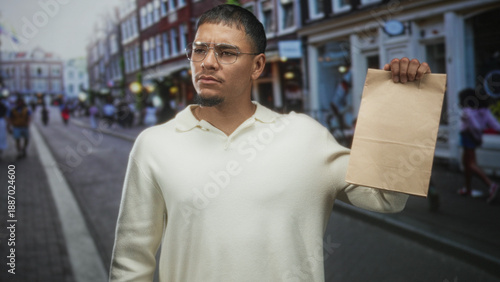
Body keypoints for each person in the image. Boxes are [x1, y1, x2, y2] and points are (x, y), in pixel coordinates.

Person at [109, 5, 432, 281]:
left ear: (258, 66)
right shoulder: (155, 144)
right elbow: (131, 261)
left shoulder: (305, 136)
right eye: (199, 49)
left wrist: (402, 102)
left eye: (226, 52)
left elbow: (387, 198)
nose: (207, 62)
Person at [457, 88, 500, 204]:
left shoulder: (467, 111)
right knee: (466, 163)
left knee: (470, 164)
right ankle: (467, 189)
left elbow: (474, 126)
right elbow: (494, 124)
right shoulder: (484, 110)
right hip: (474, 137)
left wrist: (477, 137)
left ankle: (491, 185)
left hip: (468, 136)